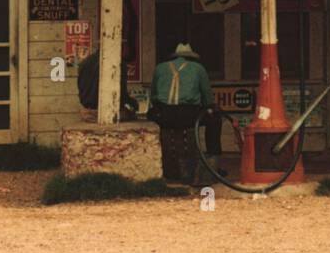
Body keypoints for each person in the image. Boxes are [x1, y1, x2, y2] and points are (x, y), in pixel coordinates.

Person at [149, 43, 222, 184]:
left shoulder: (160, 68)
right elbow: (208, 99)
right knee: (215, 120)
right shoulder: (198, 69)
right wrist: (211, 108)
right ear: (191, 58)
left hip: (164, 115)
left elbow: (153, 96)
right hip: (188, 115)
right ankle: (213, 158)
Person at [76, 44, 137, 118]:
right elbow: (122, 95)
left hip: (88, 112)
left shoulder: (84, 63)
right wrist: (133, 102)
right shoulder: (118, 63)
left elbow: (81, 90)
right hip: (110, 112)